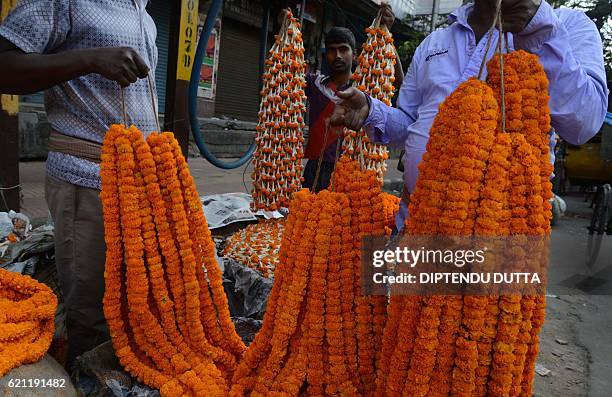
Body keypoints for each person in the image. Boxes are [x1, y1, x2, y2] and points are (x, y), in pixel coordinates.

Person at [331, 0, 609, 230]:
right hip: (417, 225)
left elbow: (584, 124)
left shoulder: (567, 26)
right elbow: (411, 127)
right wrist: (371, 110)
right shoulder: (434, 42)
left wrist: (536, 31)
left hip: (499, 240)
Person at [0, 0, 158, 368]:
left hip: (138, 184)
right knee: (92, 307)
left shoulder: (142, 9)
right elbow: (3, 65)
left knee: (134, 298)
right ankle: (89, 378)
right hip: (86, 179)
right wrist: (90, 59)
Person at [285, 2, 404, 191]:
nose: (337, 55)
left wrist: (387, 36)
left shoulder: (365, 87)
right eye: (332, 50)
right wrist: (285, 31)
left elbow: (399, 83)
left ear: (355, 55)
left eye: (343, 49)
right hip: (316, 167)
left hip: (352, 168)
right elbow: (285, 78)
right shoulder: (315, 83)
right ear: (326, 55)